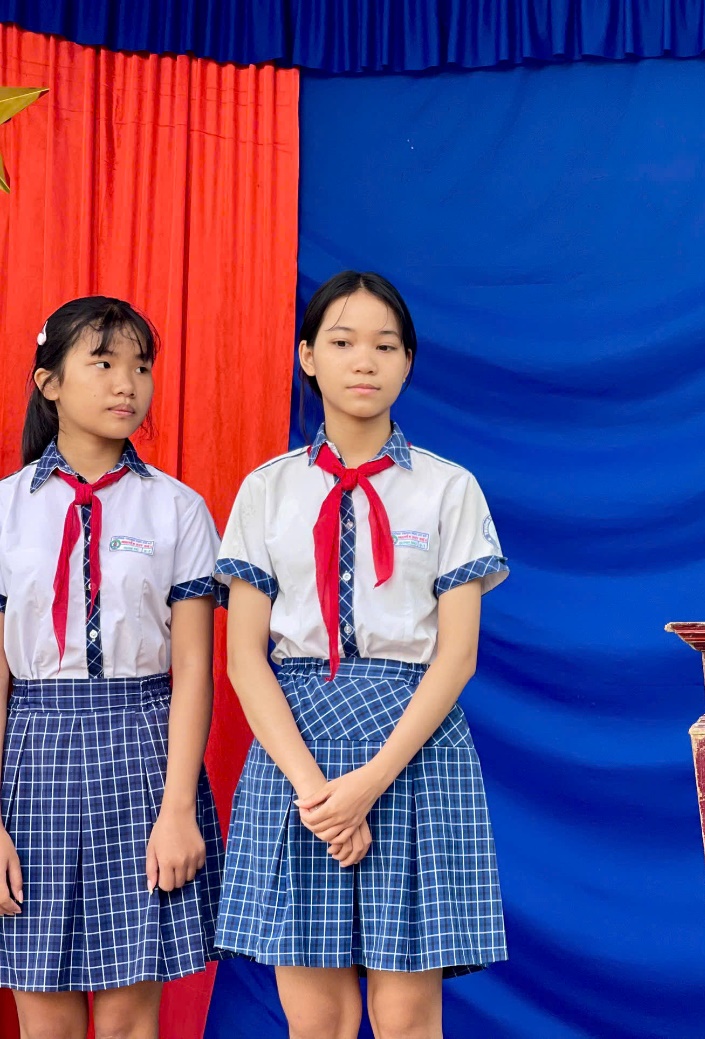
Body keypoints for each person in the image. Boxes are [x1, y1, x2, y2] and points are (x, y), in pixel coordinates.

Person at [214, 271, 508, 1039]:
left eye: (384, 345)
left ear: (408, 362)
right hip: (295, 749)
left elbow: (457, 655)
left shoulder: (448, 489)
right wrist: (318, 794)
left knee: (408, 1017)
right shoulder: (267, 490)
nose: (364, 361)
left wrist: (369, 783)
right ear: (307, 356)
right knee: (317, 1020)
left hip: (415, 747)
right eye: (342, 342)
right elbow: (245, 657)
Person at [0, 297, 222, 1037]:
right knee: (46, 1022)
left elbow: (194, 666)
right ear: (49, 382)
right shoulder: (4, 510)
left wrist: (178, 807)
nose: (128, 383)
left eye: (141, 366)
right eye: (103, 363)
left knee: (131, 1020)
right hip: (32, 757)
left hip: (143, 751)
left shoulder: (178, 509)